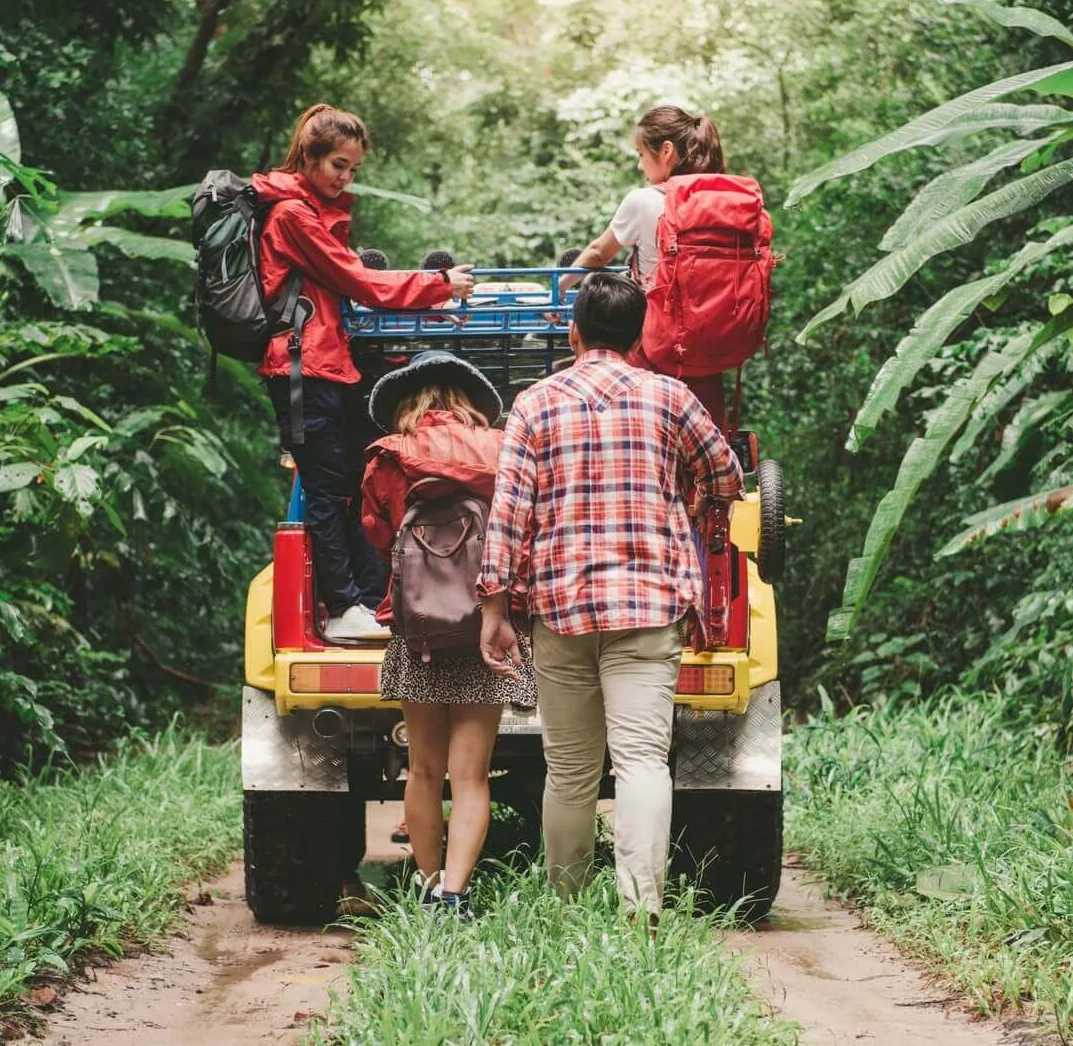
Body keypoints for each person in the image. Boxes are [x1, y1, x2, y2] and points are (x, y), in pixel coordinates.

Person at [476, 273, 743, 922]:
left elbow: (509, 513)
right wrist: (691, 493)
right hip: (649, 609)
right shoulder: (669, 397)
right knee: (642, 761)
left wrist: (494, 609)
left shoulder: (535, 404)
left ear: (573, 334)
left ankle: (567, 909)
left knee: (569, 770)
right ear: (639, 336)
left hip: (561, 611)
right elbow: (727, 475)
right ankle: (641, 907)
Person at [252, 104, 476, 644]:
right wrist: (438, 285)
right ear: (308, 157)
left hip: (325, 364)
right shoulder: (293, 217)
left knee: (347, 483)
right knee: (326, 489)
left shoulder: (309, 211)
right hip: (303, 367)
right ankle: (342, 605)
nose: (346, 178)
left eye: (353, 169)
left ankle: (365, 599)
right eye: (338, 165)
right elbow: (360, 281)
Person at [359, 351, 538, 914]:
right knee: (471, 775)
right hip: (487, 624)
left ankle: (428, 882)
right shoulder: (499, 448)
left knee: (423, 769)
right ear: (468, 401)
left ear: (407, 402)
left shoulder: (388, 456)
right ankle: (455, 894)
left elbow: (379, 535)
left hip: (418, 634)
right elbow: (520, 531)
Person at [563, 104, 732, 425]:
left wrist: (560, 285)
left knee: (643, 429)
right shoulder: (723, 202)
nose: (640, 164)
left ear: (666, 151)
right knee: (707, 431)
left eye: (641, 154)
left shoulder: (645, 200)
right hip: (712, 345)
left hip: (658, 346)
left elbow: (598, 253)